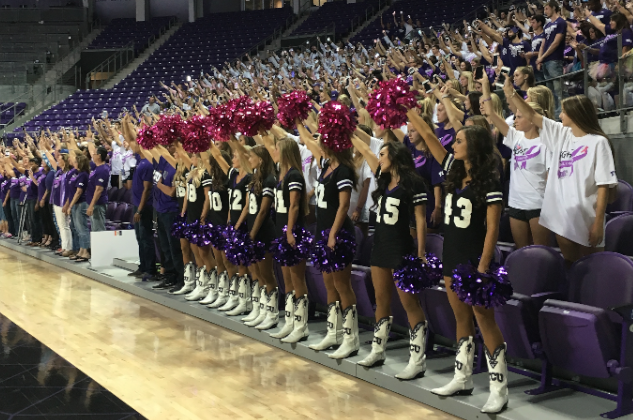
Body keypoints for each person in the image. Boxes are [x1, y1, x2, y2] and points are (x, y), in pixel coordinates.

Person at [408, 110, 508, 414]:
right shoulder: (453, 169)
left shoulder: (489, 180)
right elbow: (427, 135)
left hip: (475, 259)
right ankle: (462, 377)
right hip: (451, 255)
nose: (454, 145)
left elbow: (492, 228)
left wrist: (483, 266)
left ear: (474, 146)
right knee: (460, 318)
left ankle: (499, 388)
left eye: (460, 141)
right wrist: (406, 106)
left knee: (484, 321)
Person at [351, 135, 431, 379]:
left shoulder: (414, 183)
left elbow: (420, 219)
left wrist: (420, 252)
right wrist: (345, 126)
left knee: (409, 304)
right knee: (381, 300)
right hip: (381, 245)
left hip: (401, 248)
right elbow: (364, 149)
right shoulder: (383, 179)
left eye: (383, 155)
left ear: (394, 157)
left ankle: (417, 359)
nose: (379, 158)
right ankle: (378, 350)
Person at [509, 92, 618, 267]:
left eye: (564, 111)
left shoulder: (598, 142)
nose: (560, 115)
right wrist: (512, 94)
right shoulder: (560, 134)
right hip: (563, 217)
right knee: (571, 267)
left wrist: (598, 223)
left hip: (587, 217)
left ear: (576, 114)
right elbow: (531, 115)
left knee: (592, 269)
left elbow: (603, 185)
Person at [297, 120, 359, 354]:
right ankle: (334, 332)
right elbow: (311, 144)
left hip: (339, 234)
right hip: (324, 234)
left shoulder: (343, 170)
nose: (320, 146)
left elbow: (343, 206)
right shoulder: (325, 166)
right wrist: (297, 121)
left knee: (342, 285)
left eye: (324, 143)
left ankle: (351, 339)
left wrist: (332, 234)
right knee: (328, 284)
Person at [482, 76, 552, 248]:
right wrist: (485, 87)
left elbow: (550, 179)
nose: (515, 120)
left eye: (520, 117)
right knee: (522, 252)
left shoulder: (547, 142)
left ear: (532, 119)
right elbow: (491, 113)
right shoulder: (516, 137)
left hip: (539, 205)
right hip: (516, 203)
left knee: (541, 253)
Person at [240, 145, 280, 330]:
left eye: (252, 157)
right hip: (252, 228)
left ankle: (272, 313)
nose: (249, 160)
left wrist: (253, 232)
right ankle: (260, 309)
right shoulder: (253, 179)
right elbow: (249, 206)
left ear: (261, 159)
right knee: (256, 273)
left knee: (266, 274)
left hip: (263, 231)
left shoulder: (270, 180)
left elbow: (263, 210)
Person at [537, 1, 567, 116]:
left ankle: (563, 112)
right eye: (544, 9)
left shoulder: (561, 22)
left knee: (559, 88)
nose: (545, 11)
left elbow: (556, 42)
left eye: (547, 8)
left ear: (554, 8)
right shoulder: (547, 25)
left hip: (555, 59)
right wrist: (540, 58)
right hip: (546, 61)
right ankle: (554, 113)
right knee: (550, 91)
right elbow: (543, 44)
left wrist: (542, 57)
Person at [66, 155, 91, 262]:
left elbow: (79, 191)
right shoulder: (77, 173)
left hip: (81, 203)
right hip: (76, 203)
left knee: (82, 228)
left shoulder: (83, 175)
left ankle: (86, 252)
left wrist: (70, 205)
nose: (74, 163)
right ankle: (81, 250)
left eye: (76, 161)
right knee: (77, 228)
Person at [85, 146, 109, 233]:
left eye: (94, 154)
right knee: (95, 229)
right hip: (94, 203)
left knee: (99, 230)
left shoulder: (103, 170)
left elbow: (99, 190)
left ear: (99, 156)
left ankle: (102, 246)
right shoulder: (97, 168)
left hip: (97, 204)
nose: (92, 156)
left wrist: (91, 205)